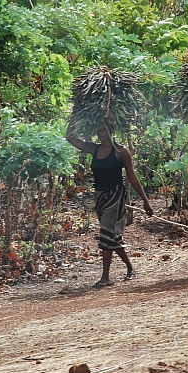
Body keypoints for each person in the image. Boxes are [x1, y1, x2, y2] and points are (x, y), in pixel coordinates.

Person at [66, 121, 153, 287]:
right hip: (100, 197)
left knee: (106, 233)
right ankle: (130, 267)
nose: (100, 133)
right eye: (98, 130)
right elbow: (70, 137)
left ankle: (105, 277)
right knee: (112, 235)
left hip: (115, 196)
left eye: (104, 129)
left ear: (112, 130)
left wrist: (145, 201)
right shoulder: (94, 148)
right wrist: (74, 116)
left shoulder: (121, 152)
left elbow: (132, 176)